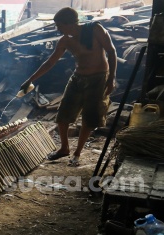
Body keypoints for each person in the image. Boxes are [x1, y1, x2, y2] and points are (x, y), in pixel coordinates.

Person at [20, 7, 117, 167]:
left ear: (69, 23)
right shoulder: (65, 40)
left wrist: (111, 78)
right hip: (78, 78)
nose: (57, 29)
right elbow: (50, 62)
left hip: (98, 78)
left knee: (90, 117)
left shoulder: (95, 29)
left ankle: (77, 152)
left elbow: (111, 52)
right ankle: (64, 148)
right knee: (63, 113)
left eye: (59, 25)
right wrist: (30, 79)